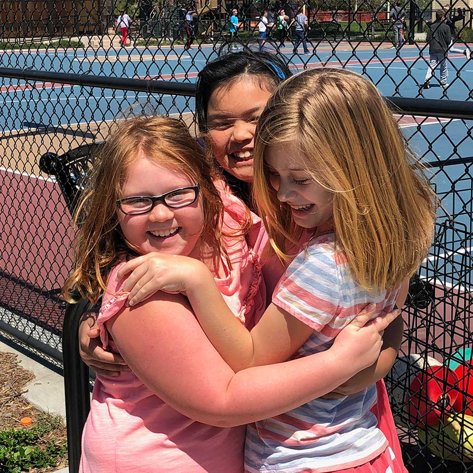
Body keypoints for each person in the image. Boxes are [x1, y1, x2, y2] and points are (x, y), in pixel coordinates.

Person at [80, 51, 406, 460]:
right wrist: (97, 318)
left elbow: (387, 312)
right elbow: (133, 258)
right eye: (220, 122)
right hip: (266, 436)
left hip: (331, 431)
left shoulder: (328, 216)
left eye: (257, 117)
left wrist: (365, 368)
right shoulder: (209, 204)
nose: (240, 134)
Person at [421, 10, 452, 90]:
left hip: (433, 49)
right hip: (442, 49)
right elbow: (448, 40)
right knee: (443, 66)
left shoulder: (432, 26)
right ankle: (443, 82)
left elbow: (428, 38)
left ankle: (427, 79)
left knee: (432, 65)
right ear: (442, 17)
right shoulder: (446, 27)